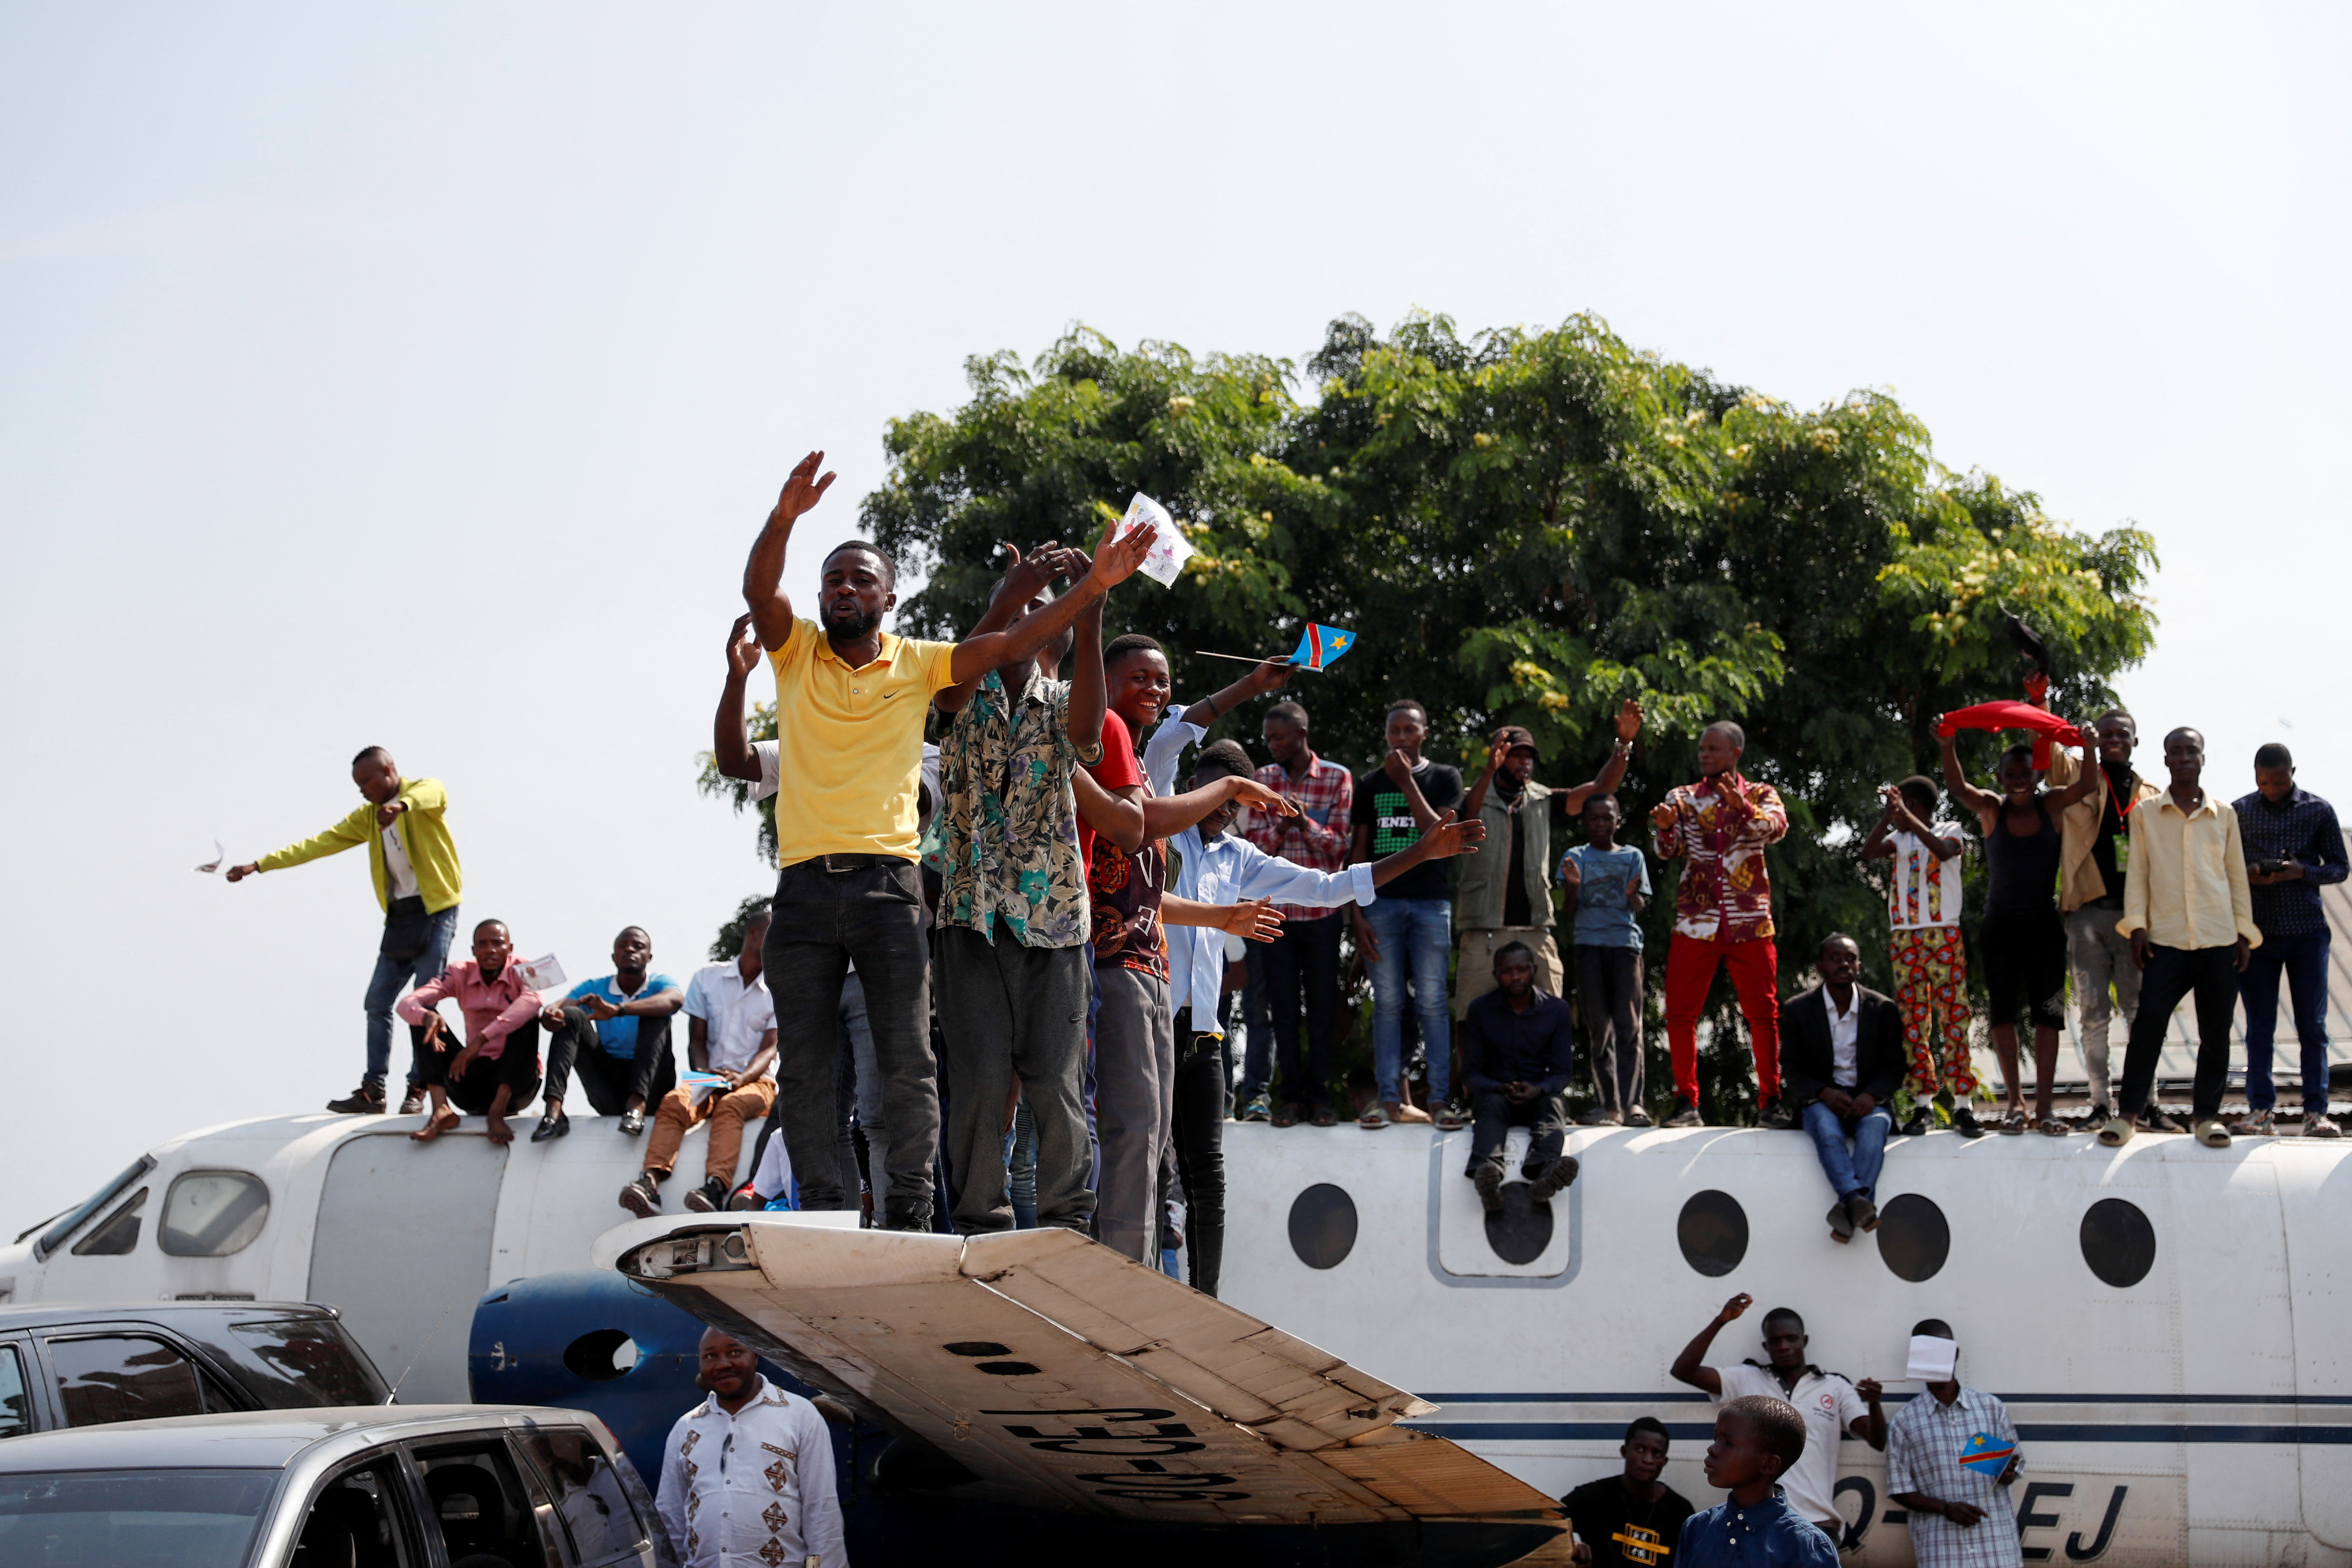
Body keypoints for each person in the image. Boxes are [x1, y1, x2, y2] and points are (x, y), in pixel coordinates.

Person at [742, 450, 1154, 1231]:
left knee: (936, 1067)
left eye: (862, 580)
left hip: (933, 896)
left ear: (889, 598)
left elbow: (1014, 647)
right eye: (834, 579)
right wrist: (786, 518)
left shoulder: (928, 665)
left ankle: (923, 1215)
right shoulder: (812, 657)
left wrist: (1091, 591)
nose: (844, 589)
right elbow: (760, 591)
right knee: (818, 1064)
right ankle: (837, 1212)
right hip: (843, 894)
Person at [1163, 737, 1485, 1292]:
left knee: (1207, 1174)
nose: (1220, 810)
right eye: (1213, 794)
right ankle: (1140, 1279)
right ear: (1193, 786)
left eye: (1231, 802)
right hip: (1150, 1018)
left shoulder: (1238, 855)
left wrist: (1418, 854)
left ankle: (1203, 1295)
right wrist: (1224, 916)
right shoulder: (1158, 833)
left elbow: (1329, 887)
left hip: (1202, 1030)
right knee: (1146, 1162)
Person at [1076, 633, 1300, 1264]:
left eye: (1162, 680)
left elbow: (1152, 892)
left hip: (1152, 967)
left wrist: (1221, 916)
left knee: (1153, 1133)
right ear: (1106, 682)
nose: (1154, 691)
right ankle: (1118, 1264)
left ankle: (1135, 1259)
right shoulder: (1098, 740)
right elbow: (1141, 821)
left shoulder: (1142, 765)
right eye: (1138, 679)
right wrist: (1228, 783)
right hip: (1107, 957)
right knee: (1128, 1126)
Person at [929, 544, 1104, 1241]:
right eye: (1021, 614)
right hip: (970, 919)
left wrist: (1091, 616)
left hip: (1054, 921)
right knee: (976, 1082)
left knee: (1057, 1085)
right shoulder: (960, 699)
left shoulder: (1062, 702)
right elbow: (946, 692)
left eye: (1043, 615)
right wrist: (1011, 592)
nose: (1031, 619)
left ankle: (1067, 1222)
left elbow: (1089, 735)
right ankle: (980, 1220)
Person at [711, 617, 901, 1205]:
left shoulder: (913, 750)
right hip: (815, 969)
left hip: (877, 970)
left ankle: (899, 1235)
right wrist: (738, 679)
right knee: (820, 1121)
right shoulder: (802, 746)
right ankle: (837, 1230)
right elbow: (735, 760)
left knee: (880, 1116)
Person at [226, 747, 461, 1116]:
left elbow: (435, 793)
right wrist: (260, 865)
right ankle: (373, 1089)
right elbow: (319, 843)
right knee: (377, 1001)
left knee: (422, 1003)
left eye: (367, 781)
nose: (363, 790)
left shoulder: (422, 792)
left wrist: (400, 807)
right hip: (401, 916)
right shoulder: (367, 819)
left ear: (389, 770)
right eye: (359, 785)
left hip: (436, 910)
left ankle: (418, 1085)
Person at [2104, 727, 2261, 1147]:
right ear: (2167, 760)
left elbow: (2235, 877)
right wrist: (2136, 925)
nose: (2185, 757)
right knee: (2148, 1028)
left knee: (2216, 1033)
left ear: (2203, 758)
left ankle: (2206, 1117)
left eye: (2192, 750)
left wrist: (2244, 933)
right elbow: (2137, 873)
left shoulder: (2224, 814)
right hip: (2165, 940)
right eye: (2177, 751)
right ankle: (2128, 1116)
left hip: (2218, 938)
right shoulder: (2146, 814)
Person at [1939, 728, 2099, 1135]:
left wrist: (2090, 747)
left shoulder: (2053, 804)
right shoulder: (1993, 808)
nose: (2019, 781)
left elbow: (2088, 783)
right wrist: (1947, 743)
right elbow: (1957, 786)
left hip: (2044, 927)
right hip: (2001, 928)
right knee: (2002, 1015)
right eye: (2010, 775)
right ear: (2001, 778)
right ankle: (2015, 1103)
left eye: (2025, 774)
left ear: (2037, 775)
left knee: (2049, 1017)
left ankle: (2045, 1108)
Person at [1459, 704, 1642, 1019]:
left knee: (1553, 1013)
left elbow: (1600, 791)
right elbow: (1464, 818)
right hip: (1483, 929)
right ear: (1498, 757)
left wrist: (1623, 746)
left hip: (1536, 928)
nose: (1524, 762)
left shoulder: (1543, 800)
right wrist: (1488, 771)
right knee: (1470, 1017)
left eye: (1529, 756)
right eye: (1516, 755)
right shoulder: (1474, 796)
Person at [1652, 722, 1790, 1129]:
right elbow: (1669, 850)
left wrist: (1741, 806)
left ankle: (1771, 1101)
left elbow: (1775, 829)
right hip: (1697, 921)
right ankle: (1686, 1103)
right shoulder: (1682, 797)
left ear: (1735, 754)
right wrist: (1663, 826)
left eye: (1713, 749)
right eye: (1702, 749)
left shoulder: (1761, 794)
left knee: (1763, 1013)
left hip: (1749, 921)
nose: (1704, 755)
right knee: (1679, 1013)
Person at [1670, 1294, 1885, 1542]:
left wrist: (1875, 1404)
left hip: (1815, 1526)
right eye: (1775, 1341)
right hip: (1757, 1523)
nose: (1783, 1346)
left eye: (1791, 1339)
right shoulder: (1747, 1378)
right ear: (1766, 1347)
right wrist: (1721, 1321)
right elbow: (1683, 1370)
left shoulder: (1835, 1387)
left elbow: (1877, 1440)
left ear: (1804, 1341)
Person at [1347, 699, 1467, 1128]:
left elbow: (1440, 836)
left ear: (1424, 733)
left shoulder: (1445, 777)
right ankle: (1387, 1100)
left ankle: (1438, 1100)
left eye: (1408, 730)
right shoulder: (1368, 783)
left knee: (1433, 1001)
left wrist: (1405, 782)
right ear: (1386, 735)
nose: (1400, 738)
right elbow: (1358, 852)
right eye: (1393, 731)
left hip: (1430, 902)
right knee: (1388, 1003)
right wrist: (1355, 915)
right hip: (1380, 904)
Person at [619, 912, 779, 1216]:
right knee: (674, 1101)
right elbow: (697, 1039)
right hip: (711, 1075)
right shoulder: (708, 978)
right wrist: (705, 1074)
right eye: (776, 933)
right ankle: (649, 1183)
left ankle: (715, 1188)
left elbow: (770, 1048)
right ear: (755, 934)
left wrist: (742, 1078)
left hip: (758, 1082)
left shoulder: (778, 988)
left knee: (731, 1107)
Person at [1244, 699, 1357, 1127]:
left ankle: (1321, 1097)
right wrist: (1280, 827)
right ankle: (1290, 1098)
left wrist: (1306, 824)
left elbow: (1340, 846)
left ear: (1301, 735)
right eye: (1268, 737)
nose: (1271, 744)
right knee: (1282, 1009)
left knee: (1323, 1008)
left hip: (1321, 915)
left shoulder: (1335, 777)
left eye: (1278, 737)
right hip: (1276, 913)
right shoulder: (1262, 779)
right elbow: (1251, 848)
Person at [2046, 710, 2162, 1124]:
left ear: (2135, 740)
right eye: (2106, 733)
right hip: (2087, 911)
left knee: (2140, 1013)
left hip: (2135, 918)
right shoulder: (2078, 772)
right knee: (2094, 1014)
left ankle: (2145, 1103)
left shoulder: (2150, 792)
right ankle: (2100, 1103)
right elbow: (2045, 747)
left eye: (2121, 734)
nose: (2114, 739)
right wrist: (2040, 698)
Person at [655, 1327, 844, 1568]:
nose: (723, 1365)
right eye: (710, 1356)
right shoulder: (687, 1428)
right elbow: (670, 1518)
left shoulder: (798, 1415)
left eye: (735, 1352)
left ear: (756, 1355)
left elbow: (821, 1513)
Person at [1860, 776, 1982, 1136]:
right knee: (1914, 1021)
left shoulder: (1951, 829)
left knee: (1954, 1016)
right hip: (1904, 936)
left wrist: (1906, 819)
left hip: (1942, 932)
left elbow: (1944, 852)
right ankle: (1923, 1103)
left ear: (1912, 805)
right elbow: (1869, 851)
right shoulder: (1897, 838)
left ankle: (1963, 1103)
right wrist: (1887, 818)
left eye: (1900, 807)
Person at [2236, 743, 2346, 1136]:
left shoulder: (2318, 810)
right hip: (2258, 933)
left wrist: (2302, 871)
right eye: (2264, 782)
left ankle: (2316, 1112)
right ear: (2255, 775)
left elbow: (2340, 868)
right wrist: (2250, 873)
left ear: (2293, 773)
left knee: (2312, 1026)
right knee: (2259, 1025)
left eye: (2279, 782)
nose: (2271, 789)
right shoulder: (2239, 812)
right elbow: (2224, 867)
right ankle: (2260, 1109)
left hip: (2306, 934)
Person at [1781, 935, 1905, 1243]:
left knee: (1875, 1128)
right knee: (1825, 1126)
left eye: (1850, 958)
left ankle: (1848, 1208)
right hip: (1822, 1100)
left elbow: (1895, 1066)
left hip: (1869, 1100)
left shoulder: (1883, 1009)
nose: (1844, 964)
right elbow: (1793, 1070)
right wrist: (1823, 1093)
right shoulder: (1798, 1010)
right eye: (1836, 958)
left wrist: (1871, 1095)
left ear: (1859, 966)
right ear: (1821, 965)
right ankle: (1857, 1200)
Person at [1886, 1318, 2024, 1568]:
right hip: (1943, 1554)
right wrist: (1947, 1508)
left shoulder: (1991, 1409)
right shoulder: (1905, 1423)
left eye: (1942, 1352)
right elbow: (1900, 1490)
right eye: (1927, 1354)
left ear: (1955, 1354)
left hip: (1998, 1550)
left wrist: (2006, 1472)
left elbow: (2012, 1474)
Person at [395, 918, 543, 1146]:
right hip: (472, 1080)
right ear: (474, 950)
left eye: (498, 943)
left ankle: (497, 1112)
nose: (490, 950)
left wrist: (480, 1041)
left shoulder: (525, 969)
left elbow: (534, 1001)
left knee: (528, 1018)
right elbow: (406, 1004)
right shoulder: (459, 972)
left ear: (510, 948)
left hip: (516, 1084)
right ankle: (441, 1109)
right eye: (482, 945)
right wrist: (425, 1016)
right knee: (425, 1021)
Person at [1460, 941, 1580, 1210]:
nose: (1515, 977)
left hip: (1538, 1095)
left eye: (1522, 970)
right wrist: (1498, 1087)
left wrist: (1540, 1089)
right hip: (1497, 1096)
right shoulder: (1480, 1010)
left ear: (1533, 970)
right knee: (1489, 1105)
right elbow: (1471, 1073)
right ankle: (1488, 1172)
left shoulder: (1557, 1010)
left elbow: (1562, 1073)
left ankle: (1547, 1172)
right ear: (1496, 975)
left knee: (1555, 1104)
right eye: (1507, 971)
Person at [1560, 794, 1653, 1127]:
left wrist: (1632, 895)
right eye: (1594, 818)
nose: (1601, 824)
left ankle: (1634, 1104)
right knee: (1599, 1026)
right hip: (1589, 946)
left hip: (1624, 947)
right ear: (1585, 822)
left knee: (1629, 1025)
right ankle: (1609, 1105)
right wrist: (1573, 886)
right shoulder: (1575, 857)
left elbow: (1641, 905)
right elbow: (1569, 909)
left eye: (1607, 818)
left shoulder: (1633, 856)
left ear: (1618, 820)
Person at [541, 927, 684, 1133]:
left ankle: (636, 1108)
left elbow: (675, 999)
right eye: (622, 947)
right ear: (614, 957)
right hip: (609, 1088)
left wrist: (618, 1010)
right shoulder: (596, 988)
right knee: (572, 1015)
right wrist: (551, 1014)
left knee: (656, 1012)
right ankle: (553, 1111)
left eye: (638, 946)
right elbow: (565, 1005)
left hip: (652, 1088)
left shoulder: (660, 984)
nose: (629, 950)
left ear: (649, 957)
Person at [1673, 1396, 1839, 1568]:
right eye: (1716, 1439)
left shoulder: (1806, 1546)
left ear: (1768, 1465)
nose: (1712, 1449)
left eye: (1728, 1443)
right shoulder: (1698, 1527)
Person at [1560, 1416, 1695, 1568]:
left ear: (1664, 1461)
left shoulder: (1680, 1512)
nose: (1648, 1460)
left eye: (1657, 1453)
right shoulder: (1593, 1497)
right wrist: (1574, 1543)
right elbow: (1551, 1520)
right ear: (1625, 1451)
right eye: (1640, 1449)